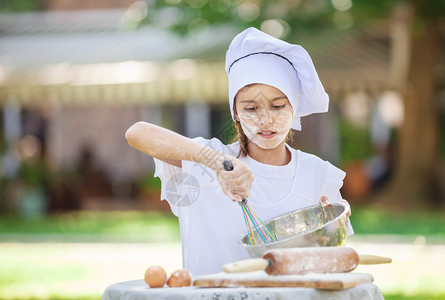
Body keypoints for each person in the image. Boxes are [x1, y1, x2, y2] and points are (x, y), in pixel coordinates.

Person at [125, 27, 353, 276]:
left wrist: (330, 230)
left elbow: (332, 263)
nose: (266, 120)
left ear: (294, 107)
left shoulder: (317, 174)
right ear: (235, 112)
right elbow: (137, 133)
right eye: (251, 108)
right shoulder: (209, 160)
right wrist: (216, 162)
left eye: (277, 106)